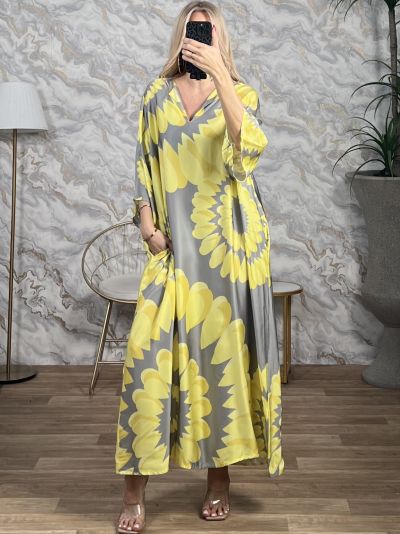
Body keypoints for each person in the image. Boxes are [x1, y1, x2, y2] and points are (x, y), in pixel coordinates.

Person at [115, 1, 284, 532]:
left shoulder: (242, 94)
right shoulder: (156, 95)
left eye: (207, 30)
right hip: (173, 250)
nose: (199, 36)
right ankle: (133, 492)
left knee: (220, 364)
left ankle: (218, 481)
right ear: (181, 35)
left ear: (219, 38)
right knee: (146, 362)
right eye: (193, 29)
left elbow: (246, 154)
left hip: (230, 246)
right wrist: (147, 228)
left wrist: (221, 77)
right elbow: (144, 163)